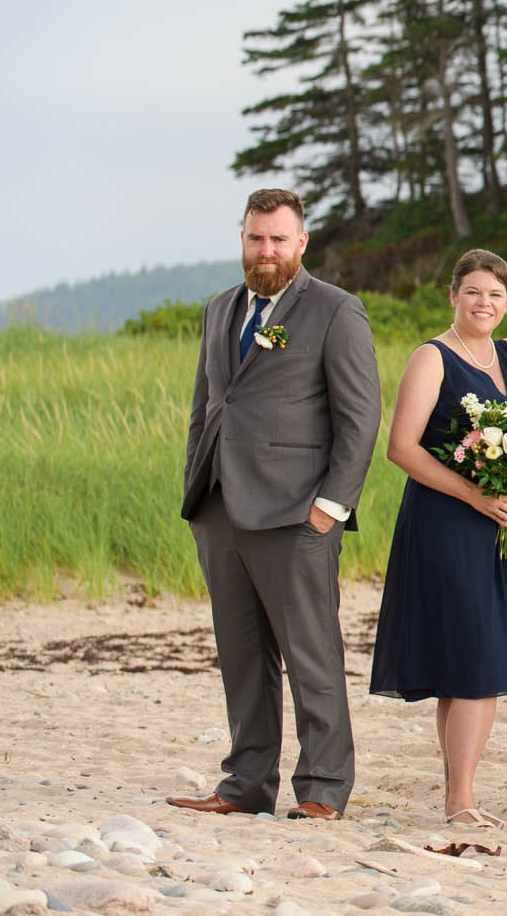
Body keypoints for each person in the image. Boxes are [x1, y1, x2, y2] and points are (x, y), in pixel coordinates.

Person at [368, 249, 507, 832]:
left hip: (506, 525)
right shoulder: (432, 357)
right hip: (450, 523)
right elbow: (402, 449)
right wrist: (474, 496)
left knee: (470, 662)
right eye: (473, 292)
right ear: (453, 297)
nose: (484, 303)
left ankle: (459, 796)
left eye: (495, 295)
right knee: (475, 661)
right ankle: (462, 804)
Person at [170, 188, 382, 822]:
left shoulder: (336, 311)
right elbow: (207, 408)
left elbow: (360, 418)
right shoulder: (219, 309)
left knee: (310, 653)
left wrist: (331, 507)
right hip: (220, 511)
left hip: (297, 515)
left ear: (301, 244)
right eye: (256, 238)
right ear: (242, 239)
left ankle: (322, 787)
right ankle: (245, 785)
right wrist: (195, 491)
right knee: (241, 656)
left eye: (278, 239)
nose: (266, 250)